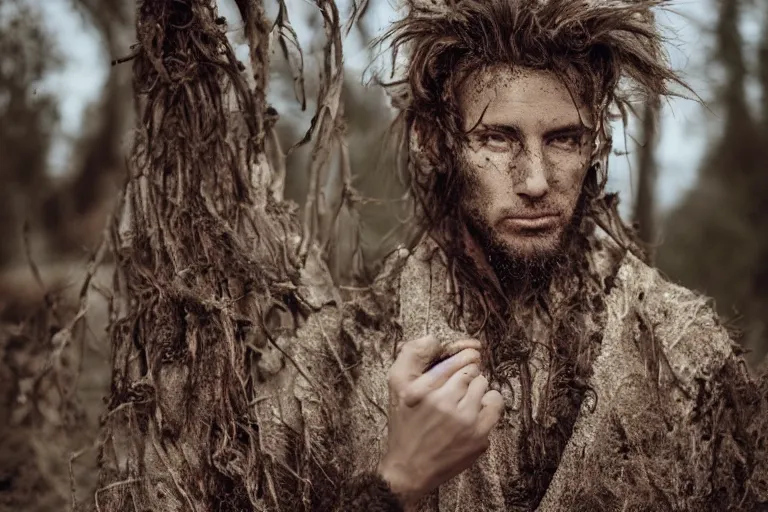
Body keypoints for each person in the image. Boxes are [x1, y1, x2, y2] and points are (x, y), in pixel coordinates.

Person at [254, 1, 768, 510]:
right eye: (498, 139)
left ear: (597, 146)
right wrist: (399, 483)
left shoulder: (687, 354)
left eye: (564, 139)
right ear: (432, 140)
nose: (537, 181)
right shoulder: (330, 368)